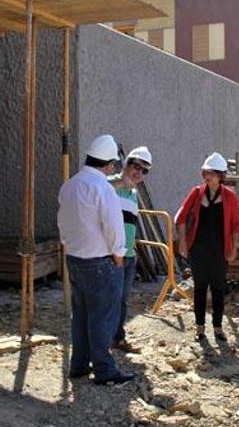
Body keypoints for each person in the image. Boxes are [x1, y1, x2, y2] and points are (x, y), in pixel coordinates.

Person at [57, 134, 134, 385]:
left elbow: (62, 224)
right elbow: (114, 227)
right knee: (103, 317)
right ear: (109, 165)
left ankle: (78, 365)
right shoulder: (103, 188)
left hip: (75, 259)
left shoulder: (70, 185)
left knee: (80, 315)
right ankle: (104, 370)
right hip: (101, 263)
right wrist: (119, 256)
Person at [175, 152, 239, 342]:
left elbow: (236, 225)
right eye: (205, 173)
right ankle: (199, 328)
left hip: (220, 250)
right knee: (200, 289)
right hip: (198, 249)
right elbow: (180, 218)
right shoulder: (196, 192)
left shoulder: (229, 196)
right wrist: (182, 243)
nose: (207, 176)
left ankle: (218, 327)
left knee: (219, 288)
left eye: (211, 173)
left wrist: (234, 249)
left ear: (220, 175)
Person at [108, 146, 153, 354]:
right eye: (137, 167)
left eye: (144, 171)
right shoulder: (110, 185)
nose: (139, 173)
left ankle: (117, 338)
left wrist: (131, 251)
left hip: (128, 257)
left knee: (122, 302)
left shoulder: (133, 194)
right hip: (110, 256)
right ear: (126, 164)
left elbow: (129, 226)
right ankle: (100, 344)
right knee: (107, 301)